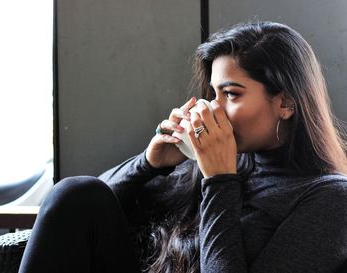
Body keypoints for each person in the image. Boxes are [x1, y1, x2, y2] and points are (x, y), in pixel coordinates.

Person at [18, 21, 347, 273]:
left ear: (286, 103)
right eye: (213, 94)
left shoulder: (330, 198)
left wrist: (220, 181)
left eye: (231, 94)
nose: (213, 109)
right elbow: (74, 215)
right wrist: (149, 163)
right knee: (75, 191)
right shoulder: (214, 163)